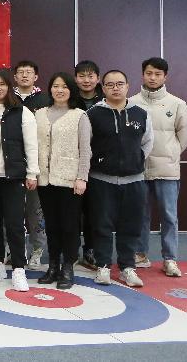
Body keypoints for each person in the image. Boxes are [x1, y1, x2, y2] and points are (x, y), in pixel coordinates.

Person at [88, 70, 154, 287]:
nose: (115, 88)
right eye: (110, 84)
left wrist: (135, 160)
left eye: (119, 84)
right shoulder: (93, 114)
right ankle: (103, 266)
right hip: (102, 180)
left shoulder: (141, 113)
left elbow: (147, 143)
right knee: (101, 225)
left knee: (131, 226)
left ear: (127, 86)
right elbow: (86, 145)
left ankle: (127, 268)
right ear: (103, 88)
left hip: (134, 180)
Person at [129, 57, 187, 277]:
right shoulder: (131, 102)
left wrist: (171, 152)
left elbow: (185, 135)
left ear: (165, 76)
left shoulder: (177, 104)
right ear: (143, 75)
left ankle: (170, 259)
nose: (153, 78)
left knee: (169, 216)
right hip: (139, 170)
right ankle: (140, 254)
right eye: (149, 73)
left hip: (167, 170)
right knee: (140, 214)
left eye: (157, 74)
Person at [0, 70, 39, 292]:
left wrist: (32, 173)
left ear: (9, 87)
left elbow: (31, 145)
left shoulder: (21, 112)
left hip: (13, 177)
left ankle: (19, 268)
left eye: (2, 84)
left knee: (14, 223)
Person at [35, 72, 91, 290]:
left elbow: (85, 150)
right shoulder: (39, 114)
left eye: (64, 86)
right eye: (55, 86)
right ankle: (53, 266)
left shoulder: (79, 116)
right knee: (51, 225)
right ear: (50, 89)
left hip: (70, 180)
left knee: (69, 225)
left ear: (71, 90)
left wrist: (82, 177)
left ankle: (68, 266)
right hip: (45, 179)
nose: (59, 90)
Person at [13, 60, 48, 270]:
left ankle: (37, 251)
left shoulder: (45, 100)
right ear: (15, 77)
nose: (25, 75)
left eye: (29, 72)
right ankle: (12, 250)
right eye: (21, 72)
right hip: (12, 163)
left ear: (36, 77)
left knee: (35, 211)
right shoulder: (7, 97)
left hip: (37, 163)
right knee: (11, 211)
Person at [74, 59, 104, 271]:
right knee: (73, 211)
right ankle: (71, 250)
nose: (86, 80)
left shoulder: (106, 99)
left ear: (98, 78)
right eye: (82, 76)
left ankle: (91, 250)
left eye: (90, 76)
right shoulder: (69, 98)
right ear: (76, 79)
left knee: (95, 211)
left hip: (99, 164)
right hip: (73, 162)